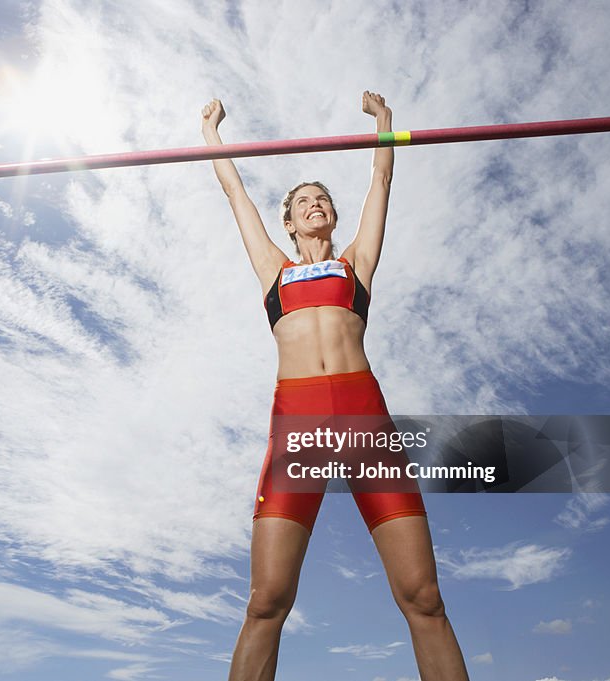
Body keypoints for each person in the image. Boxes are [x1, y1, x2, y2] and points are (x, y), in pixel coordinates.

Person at [201, 93, 471, 681]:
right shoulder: (276, 270)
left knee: (423, 596)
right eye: (303, 202)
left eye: (322, 198)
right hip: (296, 425)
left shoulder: (356, 266)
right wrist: (211, 133)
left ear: (332, 216)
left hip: (364, 418)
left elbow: (381, 183)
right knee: (266, 601)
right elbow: (235, 195)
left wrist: (385, 124)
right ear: (290, 223)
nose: (315, 204)